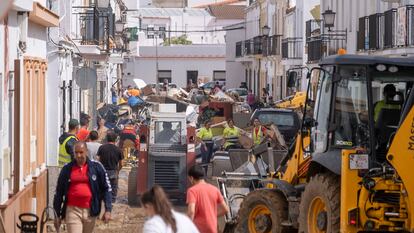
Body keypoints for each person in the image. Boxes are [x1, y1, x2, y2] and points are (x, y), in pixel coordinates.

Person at [53, 141, 112, 233]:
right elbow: (59, 192)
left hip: (91, 210)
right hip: (73, 210)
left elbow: (106, 189)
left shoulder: (97, 167)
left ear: (86, 151)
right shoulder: (67, 169)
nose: (78, 155)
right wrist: (57, 214)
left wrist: (108, 209)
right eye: (76, 153)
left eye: (81, 152)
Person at [187, 165, 229, 233]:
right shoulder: (215, 189)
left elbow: (191, 211)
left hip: (199, 229)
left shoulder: (192, 191)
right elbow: (225, 209)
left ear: (191, 178)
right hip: (213, 229)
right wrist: (211, 215)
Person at [97, 131, 124, 203]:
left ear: (106, 139)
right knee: (113, 188)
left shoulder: (102, 148)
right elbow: (121, 164)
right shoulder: (118, 150)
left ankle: (103, 201)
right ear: (115, 139)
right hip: (113, 172)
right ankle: (112, 202)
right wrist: (118, 170)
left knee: (103, 187)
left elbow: (98, 160)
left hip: (103, 172)